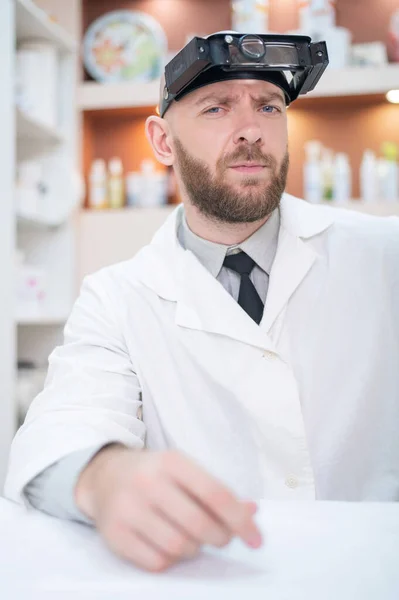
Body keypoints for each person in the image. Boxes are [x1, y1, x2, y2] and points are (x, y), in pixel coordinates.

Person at [4, 32, 399, 573]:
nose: (251, 131)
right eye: (216, 108)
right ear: (162, 142)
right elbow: (61, 429)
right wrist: (105, 477)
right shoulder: (117, 296)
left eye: (269, 106)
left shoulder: (385, 255)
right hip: (216, 575)